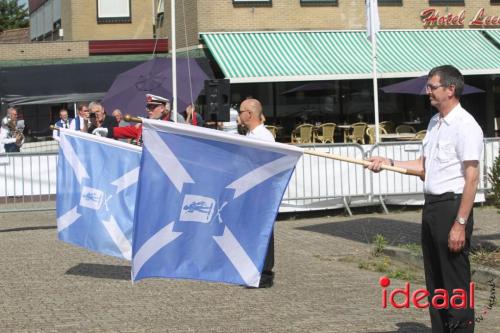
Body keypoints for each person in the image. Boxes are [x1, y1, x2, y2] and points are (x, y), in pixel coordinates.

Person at [367, 65, 483, 332]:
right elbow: (423, 167)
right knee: (436, 283)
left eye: (432, 86)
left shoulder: (466, 126)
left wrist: (460, 223)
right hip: (431, 207)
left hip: (451, 208)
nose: (427, 91)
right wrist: (388, 162)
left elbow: (472, 178)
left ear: (450, 89)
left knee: (455, 284)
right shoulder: (434, 122)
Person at [238, 98, 275, 288]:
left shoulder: (263, 136)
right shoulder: (252, 135)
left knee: (263, 232)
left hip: (261, 191)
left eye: (240, 111)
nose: (238, 115)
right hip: (251, 190)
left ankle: (264, 274)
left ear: (249, 114)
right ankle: (254, 271)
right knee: (251, 231)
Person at [92, 94, 184, 145]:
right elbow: (130, 131)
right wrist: (107, 131)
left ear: (162, 108)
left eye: (151, 107)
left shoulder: (170, 126)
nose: (148, 110)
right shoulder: (146, 123)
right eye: (147, 106)